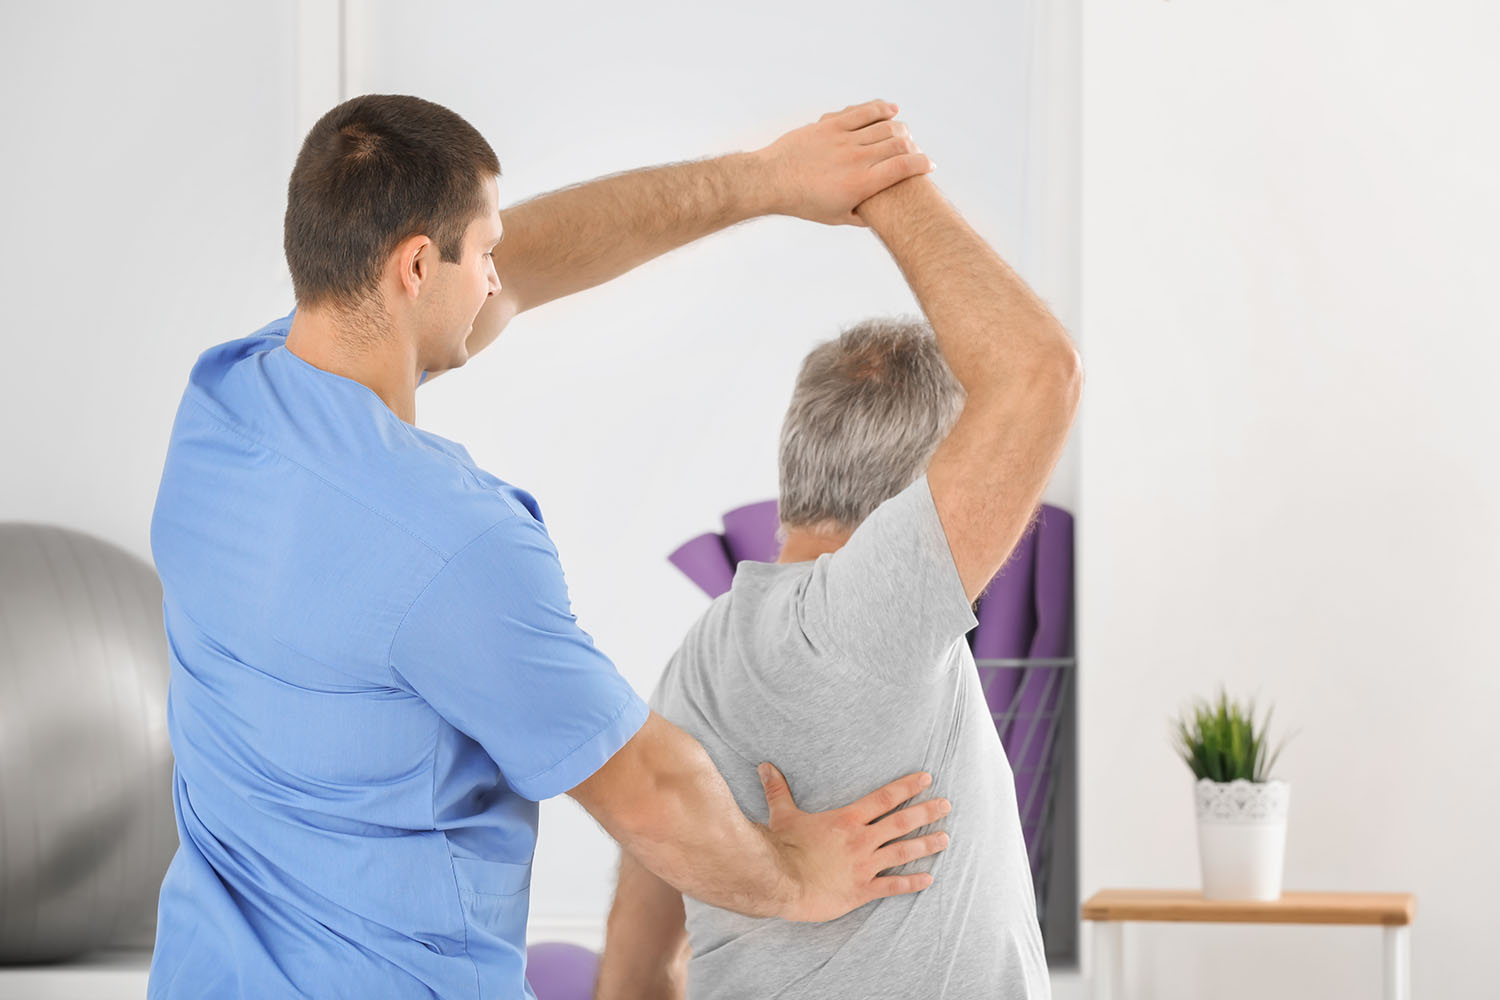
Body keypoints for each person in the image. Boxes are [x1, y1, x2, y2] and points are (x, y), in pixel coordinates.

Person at [146, 94, 952, 999]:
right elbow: (649, 788)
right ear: (417, 264)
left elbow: (527, 260)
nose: (498, 279)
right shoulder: (453, 542)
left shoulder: (222, 407)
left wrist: (766, 178)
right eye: (483, 253)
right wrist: (797, 877)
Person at [594, 173, 1082, 999]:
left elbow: (636, 960)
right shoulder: (871, 614)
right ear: (920, 498)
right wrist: (887, 181)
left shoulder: (703, 653)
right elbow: (1042, 373)